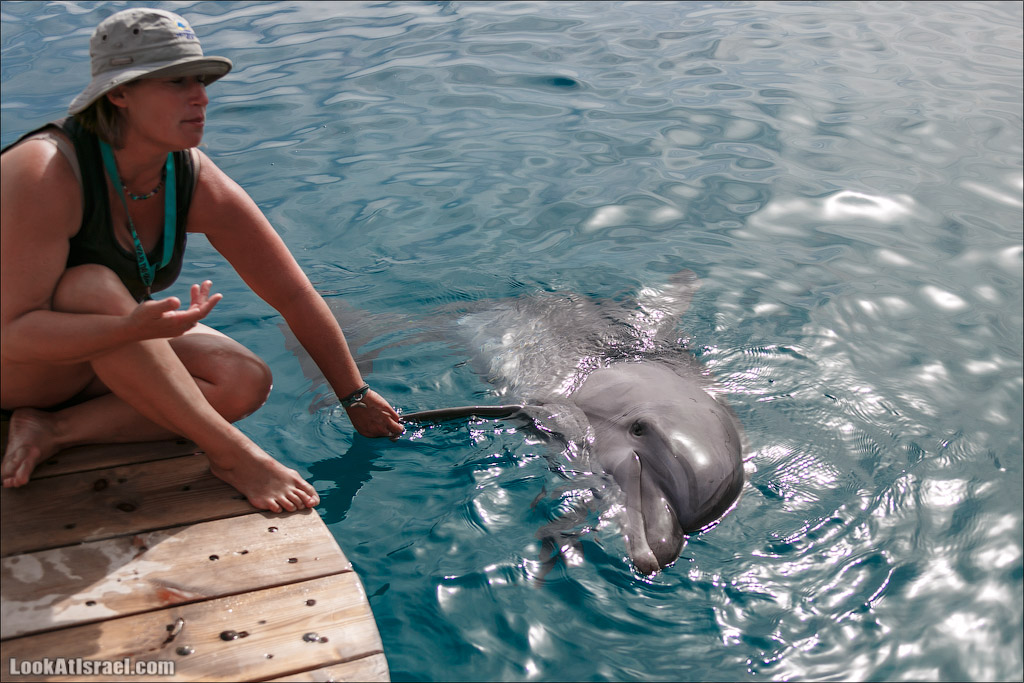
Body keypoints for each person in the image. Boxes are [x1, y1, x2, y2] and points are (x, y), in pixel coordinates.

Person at [0, 7, 405, 513]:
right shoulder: (43, 172)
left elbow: (293, 294)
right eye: (175, 82)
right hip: (24, 370)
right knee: (90, 285)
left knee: (243, 381)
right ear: (118, 94)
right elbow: (12, 332)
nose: (200, 97)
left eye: (201, 80)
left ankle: (55, 430)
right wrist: (126, 328)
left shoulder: (188, 177)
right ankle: (232, 455)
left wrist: (355, 395)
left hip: (110, 349)